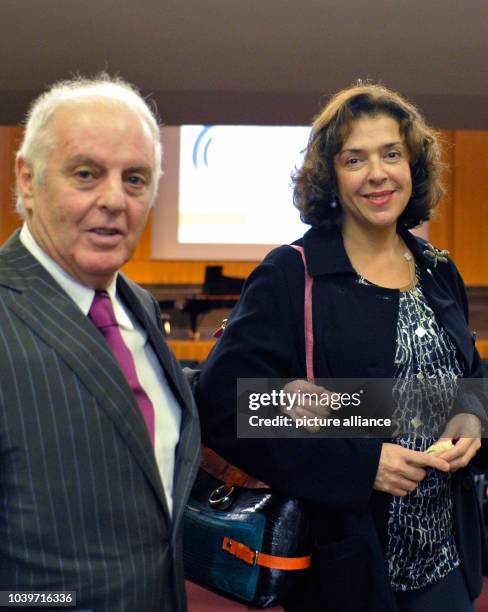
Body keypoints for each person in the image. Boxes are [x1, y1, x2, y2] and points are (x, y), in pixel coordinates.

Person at [196, 83, 488, 612]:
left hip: (447, 560)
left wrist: (471, 414)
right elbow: (225, 403)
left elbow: (469, 377)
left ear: (412, 166)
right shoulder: (292, 272)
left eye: (392, 154)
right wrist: (360, 464)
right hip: (348, 567)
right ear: (331, 176)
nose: (377, 173)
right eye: (356, 159)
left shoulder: (440, 270)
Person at [0, 75, 200, 611]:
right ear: (27, 179)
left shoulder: (139, 307)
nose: (114, 200)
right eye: (86, 174)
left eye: (135, 179)